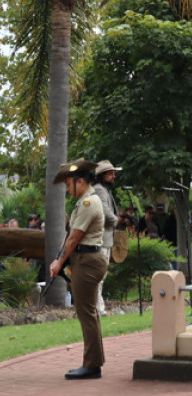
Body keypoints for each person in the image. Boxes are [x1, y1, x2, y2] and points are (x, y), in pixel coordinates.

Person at [49, 159, 107, 379]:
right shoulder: (85, 201)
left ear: (80, 181)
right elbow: (69, 235)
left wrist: (58, 262)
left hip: (87, 261)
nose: (67, 189)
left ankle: (91, 365)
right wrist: (59, 259)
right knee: (89, 313)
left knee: (86, 313)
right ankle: (94, 362)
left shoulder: (88, 203)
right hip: (85, 260)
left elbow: (74, 238)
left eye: (68, 184)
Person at [91, 160, 120, 316]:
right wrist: (116, 220)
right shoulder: (100, 190)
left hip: (105, 239)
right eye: (110, 173)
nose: (113, 176)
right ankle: (98, 308)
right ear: (102, 175)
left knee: (101, 275)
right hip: (102, 239)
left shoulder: (103, 189)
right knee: (99, 275)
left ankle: (98, 307)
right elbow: (105, 211)